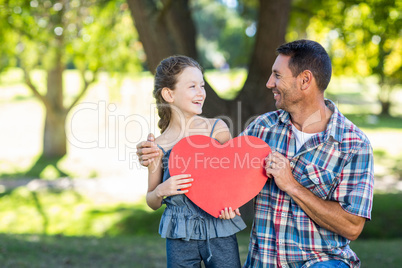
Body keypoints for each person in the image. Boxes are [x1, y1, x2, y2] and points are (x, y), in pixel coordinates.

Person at [137, 40, 374, 267]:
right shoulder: (261, 129)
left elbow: (352, 227)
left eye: (277, 75)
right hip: (265, 262)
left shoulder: (353, 145)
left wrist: (291, 184)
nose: (269, 82)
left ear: (305, 80)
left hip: (322, 261)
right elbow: (222, 170)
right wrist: (156, 158)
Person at [144, 55, 247, 267]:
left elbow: (233, 180)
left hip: (220, 228)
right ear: (169, 94)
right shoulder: (158, 145)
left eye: (202, 85)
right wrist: (163, 189)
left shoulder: (217, 130)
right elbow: (151, 200)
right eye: (192, 86)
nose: (201, 92)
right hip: (180, 234)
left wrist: (232, 203)